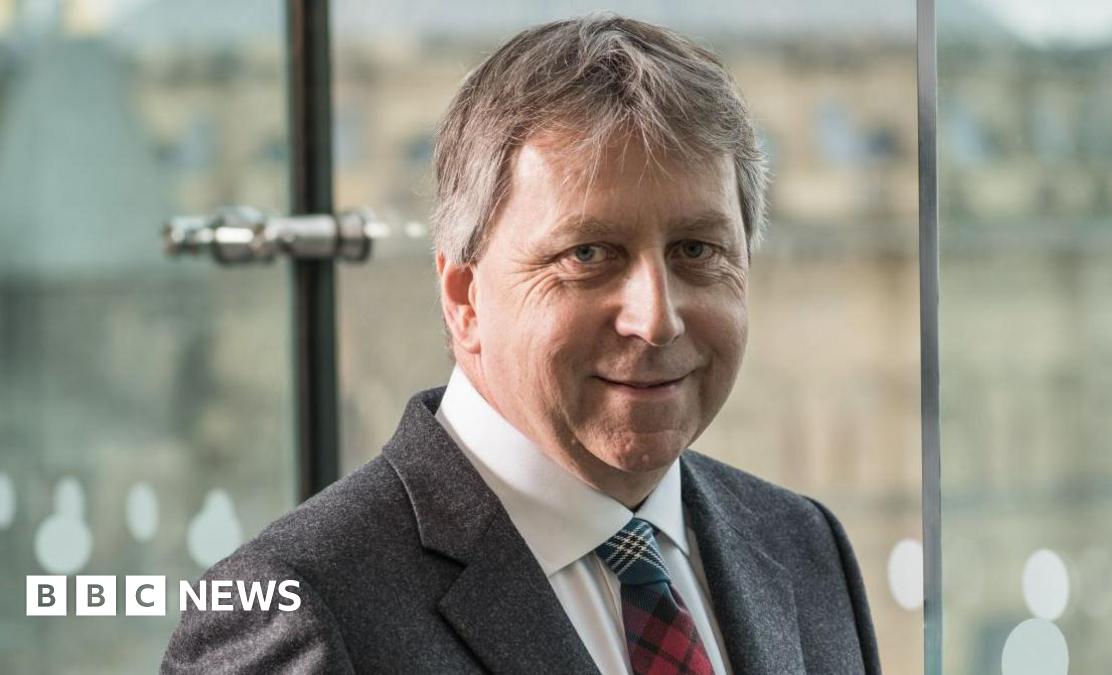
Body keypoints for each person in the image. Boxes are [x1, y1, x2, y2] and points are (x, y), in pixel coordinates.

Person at [162, 13, 880, 675]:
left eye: (697, 249)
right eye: (589, 254)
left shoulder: (804, 548)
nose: (656, 319)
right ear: (463, 296)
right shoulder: (300, 610)